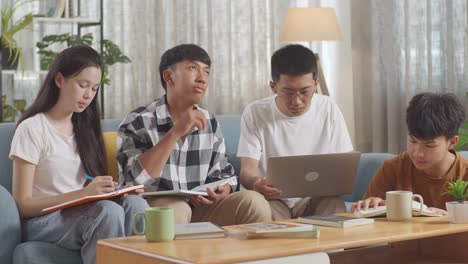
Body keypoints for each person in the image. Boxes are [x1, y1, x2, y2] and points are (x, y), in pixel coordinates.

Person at [10, 46, 149, 264]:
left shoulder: (86, 129)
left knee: (137, 205)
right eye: (82, 85)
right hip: (42, 222)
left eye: (94, 89)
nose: (88, 95)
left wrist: (114, 191)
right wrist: (82, 195)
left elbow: (87, 186)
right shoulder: (32, 129)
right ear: (59, 80)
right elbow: (23, 204)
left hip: (80, 214)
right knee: (108, 213)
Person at [117, 44, 271, 225]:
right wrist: (174, 133)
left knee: (253, 201)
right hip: (153, 210)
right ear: (168, 76)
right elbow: (133, 180)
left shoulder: (209, 121)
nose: (202, 78)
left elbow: (224, 175)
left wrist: (223, 190)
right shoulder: (138, 121)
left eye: (206, 72)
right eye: (193, 68)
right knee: (176, 208)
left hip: (201, 209)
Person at [238, 44, 353, 220]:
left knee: (334, 203)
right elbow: (247, 172)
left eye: (305, 92)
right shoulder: (255, 113)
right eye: (288, 92)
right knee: (263, 208)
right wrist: (256, 183)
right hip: (272, 200)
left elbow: (344, 165)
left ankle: (326, 249)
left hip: (311, 199)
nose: (297, 101)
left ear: (316, 84)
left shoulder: (328, 108)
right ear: (273, 86)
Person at [353, 92, 468, 214]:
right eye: (413, 141)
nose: (418, 153)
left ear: (452, 142)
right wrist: (370, 205)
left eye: (429, 145)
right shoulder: (393, 168)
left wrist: (449, 219)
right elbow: (364, 220)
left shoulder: (464, 173)